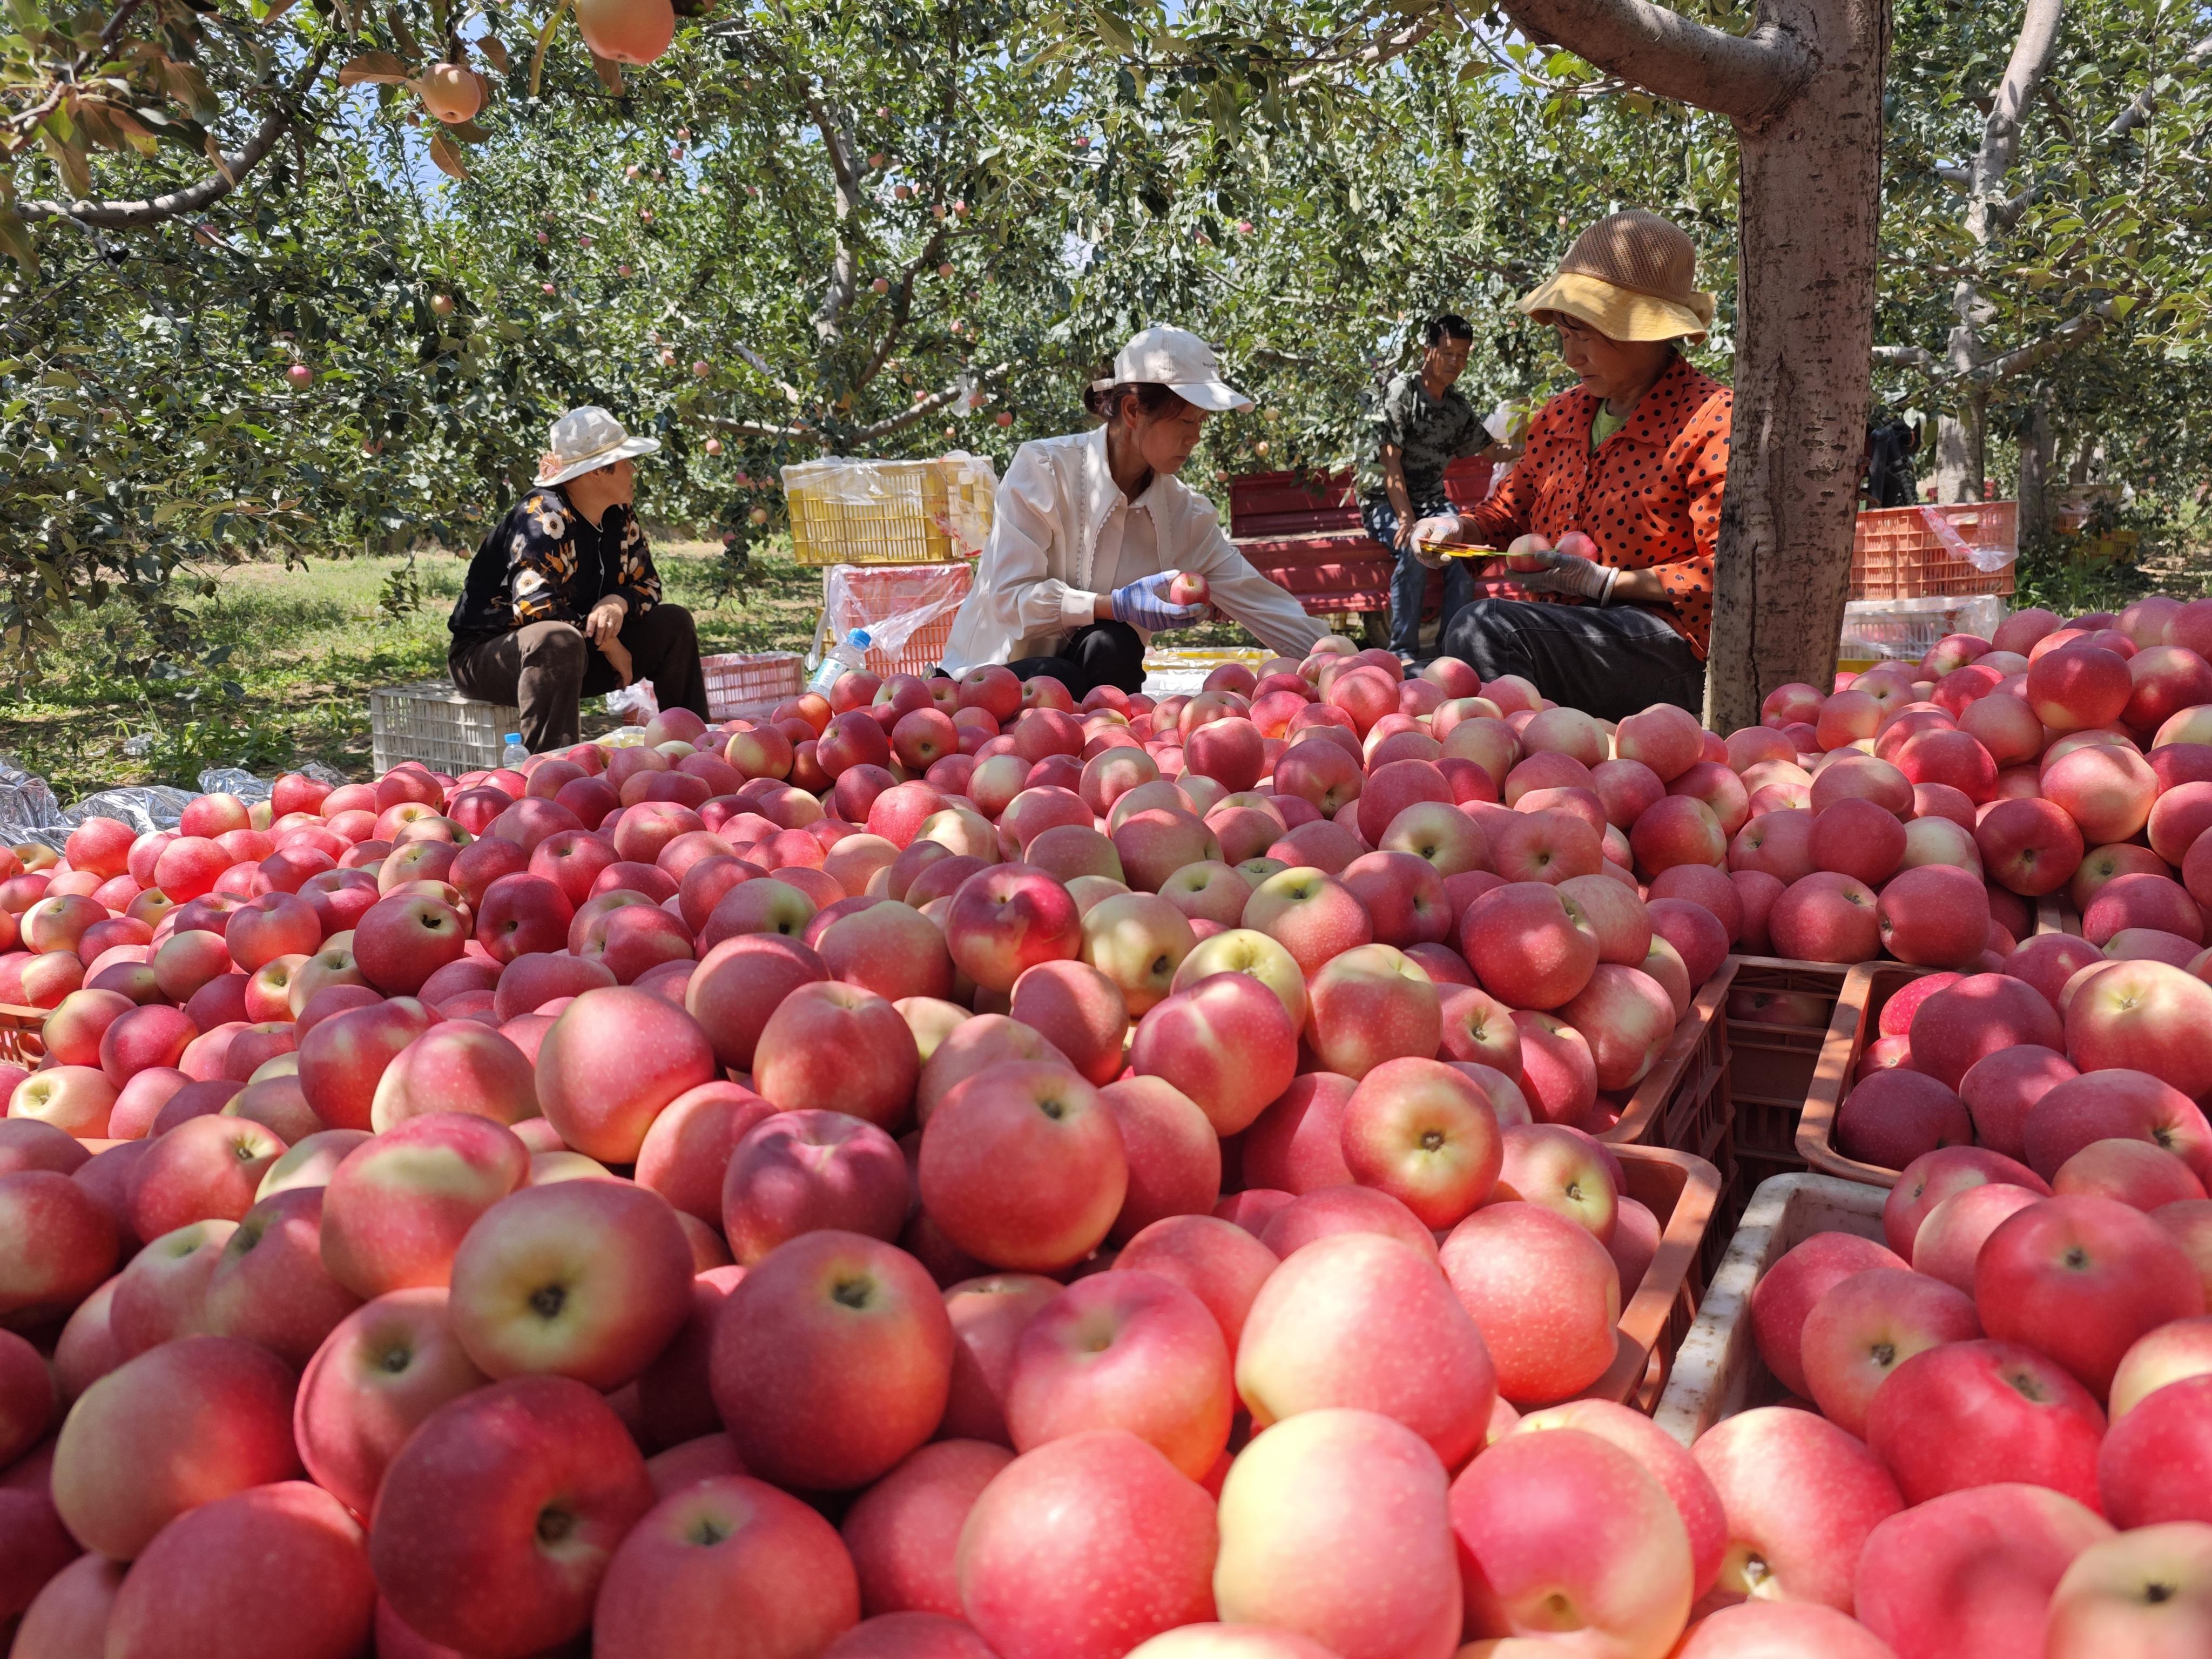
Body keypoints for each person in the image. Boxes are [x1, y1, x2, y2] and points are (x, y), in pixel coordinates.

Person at [1413, 210, 1731, 721]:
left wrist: (1609, 584)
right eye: (1563, 335)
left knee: (1487, 628)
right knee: (1485, 638)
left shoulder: (1711, 420)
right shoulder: (1559, 417)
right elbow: (1507, 514)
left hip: (1662, 649)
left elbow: (1725, 574)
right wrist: (1455, 530)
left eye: (1583, 335)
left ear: (1641, 332)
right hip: (1565, 635)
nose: (1570, 356)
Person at [939, 326, 1329, 694]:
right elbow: (1007, 601)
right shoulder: (1044, 471)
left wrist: (1343, 668)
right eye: (1185, 420)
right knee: (1061, 673)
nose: (1195, 437)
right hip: (983, 684)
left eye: (1202, 422)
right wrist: (1114, 605)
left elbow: (1262, 603)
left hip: (1076, 696)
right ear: (1132, 411)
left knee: (1115, 644)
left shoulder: (1184, 516)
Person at [449, 406, 709, 751]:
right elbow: (535, 607)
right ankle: (552, 772)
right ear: (598, 472)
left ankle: (694, 748)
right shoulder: (543, 515)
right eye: (627, 461)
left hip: (575, 653)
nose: (634, 470)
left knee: (674, 623)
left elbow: (648, 585)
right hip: (496, 658)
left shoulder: (619, 514)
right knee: (555, 639)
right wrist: (610, 644)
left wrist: (617, 602)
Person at [1355, 314, 1496, 665]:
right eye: (1448, 353)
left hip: (1432, 502)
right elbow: (1391, 462)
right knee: (1415, 548)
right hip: (1383, 500)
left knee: (1464, 554)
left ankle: (1453, 652)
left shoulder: (1456, 407)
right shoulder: (1402, 391)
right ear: (1428, 351)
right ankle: (1403, 653)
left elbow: (1493, 450)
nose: (1455, 363)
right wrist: (1406, 517)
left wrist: (1537, 435)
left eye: (1463, 356)